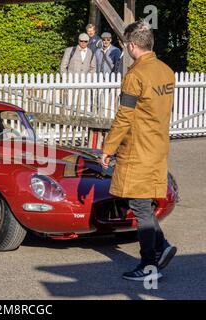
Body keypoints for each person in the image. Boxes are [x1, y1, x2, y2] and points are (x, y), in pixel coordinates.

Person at [100, 20, 177, 281]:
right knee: (143, 201)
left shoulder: (134, 76)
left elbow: (124, 117)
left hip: (138, 147)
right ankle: (161, 247)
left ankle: (149, 263)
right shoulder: (166, 71)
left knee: (139, 204)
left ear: (132, 46)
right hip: (158, 145)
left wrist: (107, 148)